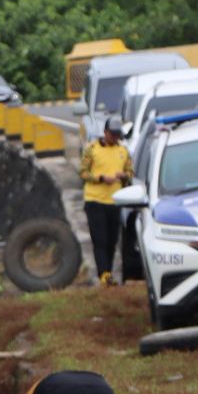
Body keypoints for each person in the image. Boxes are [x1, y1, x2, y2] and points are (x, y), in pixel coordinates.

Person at [80, 118, 132, 286]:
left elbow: (130, 172)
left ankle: (107, 272)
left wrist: (124, 176)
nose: (116, 138)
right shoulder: (91, 149)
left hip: (115, 202)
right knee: (100, 240)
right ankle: (104, 276)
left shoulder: (123, 151)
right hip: (95, 201)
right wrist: (101, 178)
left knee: (111, 241)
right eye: (113, 135)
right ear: (105, 133)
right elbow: (83, 173)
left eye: (118, 136)